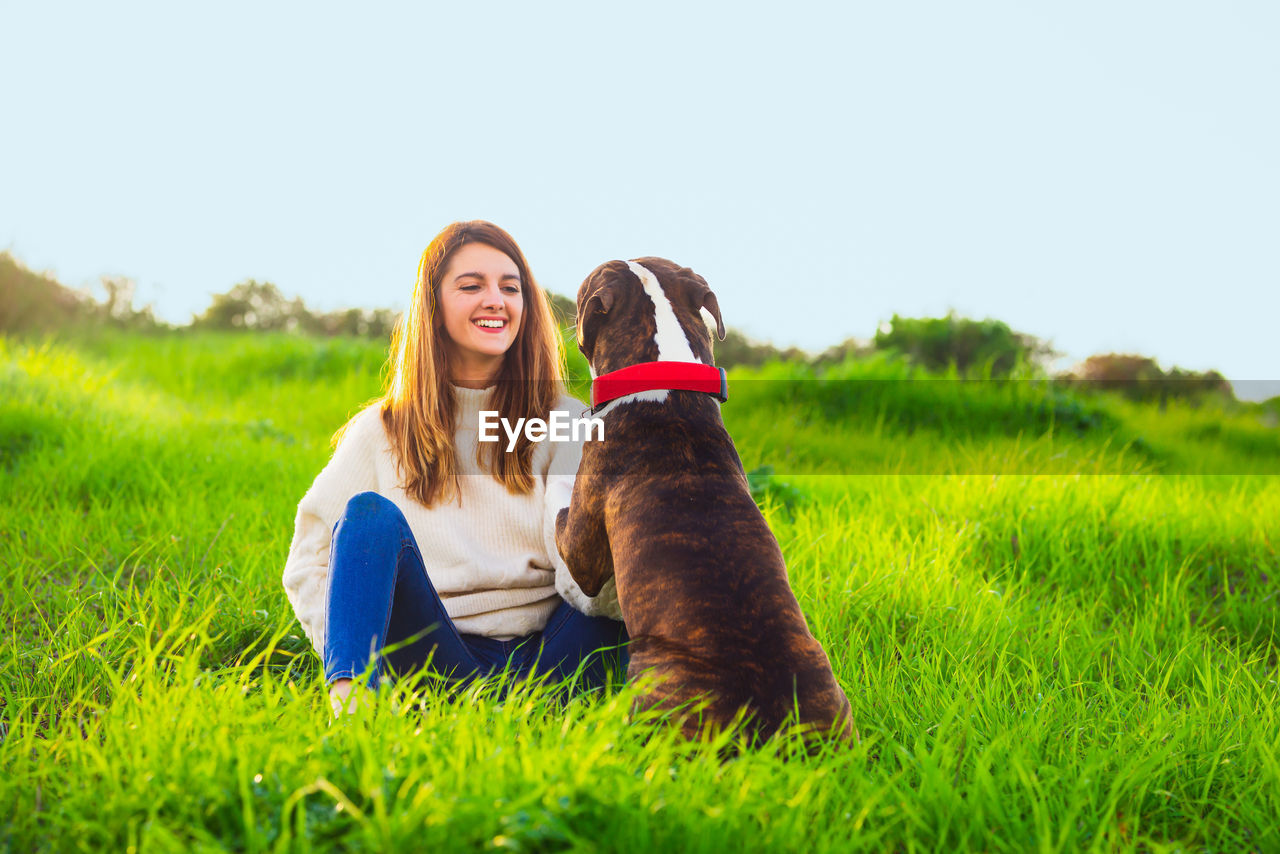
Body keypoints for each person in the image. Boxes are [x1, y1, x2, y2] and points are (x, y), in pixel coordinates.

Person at [281, 221, 625, 717]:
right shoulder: (380, 429)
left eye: (511, 287)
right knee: (369, 517)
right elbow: (309, 561)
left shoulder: (568, 422)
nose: (496, 300)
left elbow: (589, 571)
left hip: (557, 659)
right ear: (434, 308)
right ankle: (353, 711)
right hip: (435, 659)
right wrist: (354, 650)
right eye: (471, 286)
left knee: (622, 550)